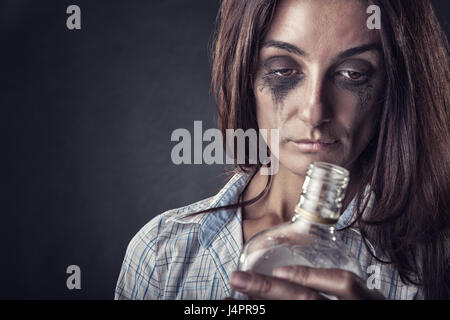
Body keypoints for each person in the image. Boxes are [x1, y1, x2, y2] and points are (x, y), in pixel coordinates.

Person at [114, 0, 450, 300]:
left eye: (353, 73)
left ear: (395, 86)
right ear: (246, 75)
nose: (314, 112)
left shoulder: (435, 264)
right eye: (284, 70)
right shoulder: (162, 253)